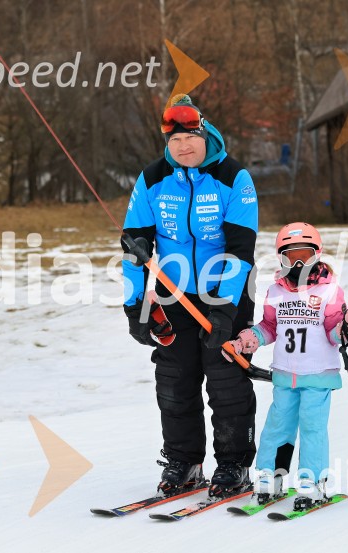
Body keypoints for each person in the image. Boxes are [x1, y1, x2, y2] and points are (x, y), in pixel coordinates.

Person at [121, 94, 259, 496]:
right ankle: (185, 461)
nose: (182, 146)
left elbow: (240, 250)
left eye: (189, 137)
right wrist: (133, 305)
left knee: (226, 381)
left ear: (205, 133)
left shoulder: (235, 178)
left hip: (228, 291)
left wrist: (225, 309)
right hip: (173, 294)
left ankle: (234, 466)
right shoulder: (152, 179)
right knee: (175, 381)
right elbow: (134, 250)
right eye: (174, 140)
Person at [223, 222, 348, 509]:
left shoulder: (330, 291)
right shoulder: (276, 291)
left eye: (304, 254)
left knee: (312, 428)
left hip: (317, 374)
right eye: (290, 255)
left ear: (317, 254)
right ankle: (270, 478)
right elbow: (269, 327)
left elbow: (334, 331)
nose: (298, 262)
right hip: (285, 376)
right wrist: (246, 340)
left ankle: (312, 483)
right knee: (277, 426)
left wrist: (347, 328)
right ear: (281, 258)